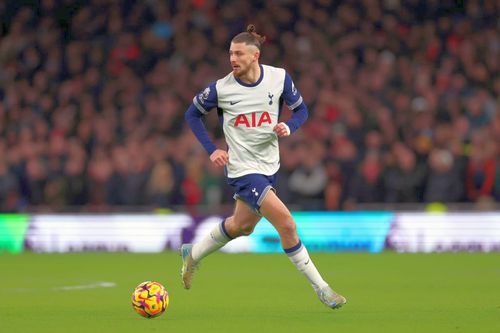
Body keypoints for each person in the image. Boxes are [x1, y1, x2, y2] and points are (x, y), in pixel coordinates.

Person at [182, 24, 346, 310]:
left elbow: (302, 110)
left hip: (269, 165)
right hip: (242, 170)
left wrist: (289, 125)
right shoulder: (220, 89)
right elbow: (192, 114)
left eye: (239, 53)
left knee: (241, 226)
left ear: (255, 55)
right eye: (230, 53)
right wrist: (212, 150)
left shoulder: (279, 78)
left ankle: (192, 254)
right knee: (287, 224)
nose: (233, 59)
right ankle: (323, 289)